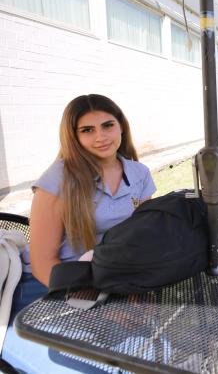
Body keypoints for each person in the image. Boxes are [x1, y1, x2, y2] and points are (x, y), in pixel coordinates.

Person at [3, 94, 157, 373]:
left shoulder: (139, 173)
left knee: (147, 347)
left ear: (121, 126)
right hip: (49, 286)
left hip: (106, 278)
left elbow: (142, 237)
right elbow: (42, 264)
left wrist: (129, 290)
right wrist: (98, 304)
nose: (100, 137)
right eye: (87, 130)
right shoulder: (57, 180)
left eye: (107, 125)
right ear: (73, 136)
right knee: (90, 364)